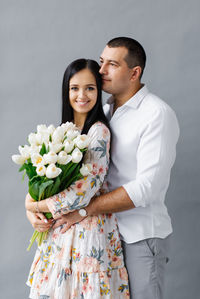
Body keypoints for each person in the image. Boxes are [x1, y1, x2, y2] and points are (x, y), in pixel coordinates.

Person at [42, 37, 180, 299]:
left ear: (134, 73)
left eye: (112, 64)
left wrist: (84, 209)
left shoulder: (157, 114)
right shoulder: (104, 111)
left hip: (140, 236)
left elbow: (146, 188)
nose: (101, 70)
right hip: (107, 235)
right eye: (102, 61)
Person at [25, 59, 130, 299]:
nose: (82, 95)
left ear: (99, 90)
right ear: (66, 90)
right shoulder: (64, 131)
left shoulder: (98, 132)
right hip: (61, 233)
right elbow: (43, 183)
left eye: (90, 88)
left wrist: (36, 205)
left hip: (89, 234)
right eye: (74, 88)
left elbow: (83, 190)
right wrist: (32, 212)